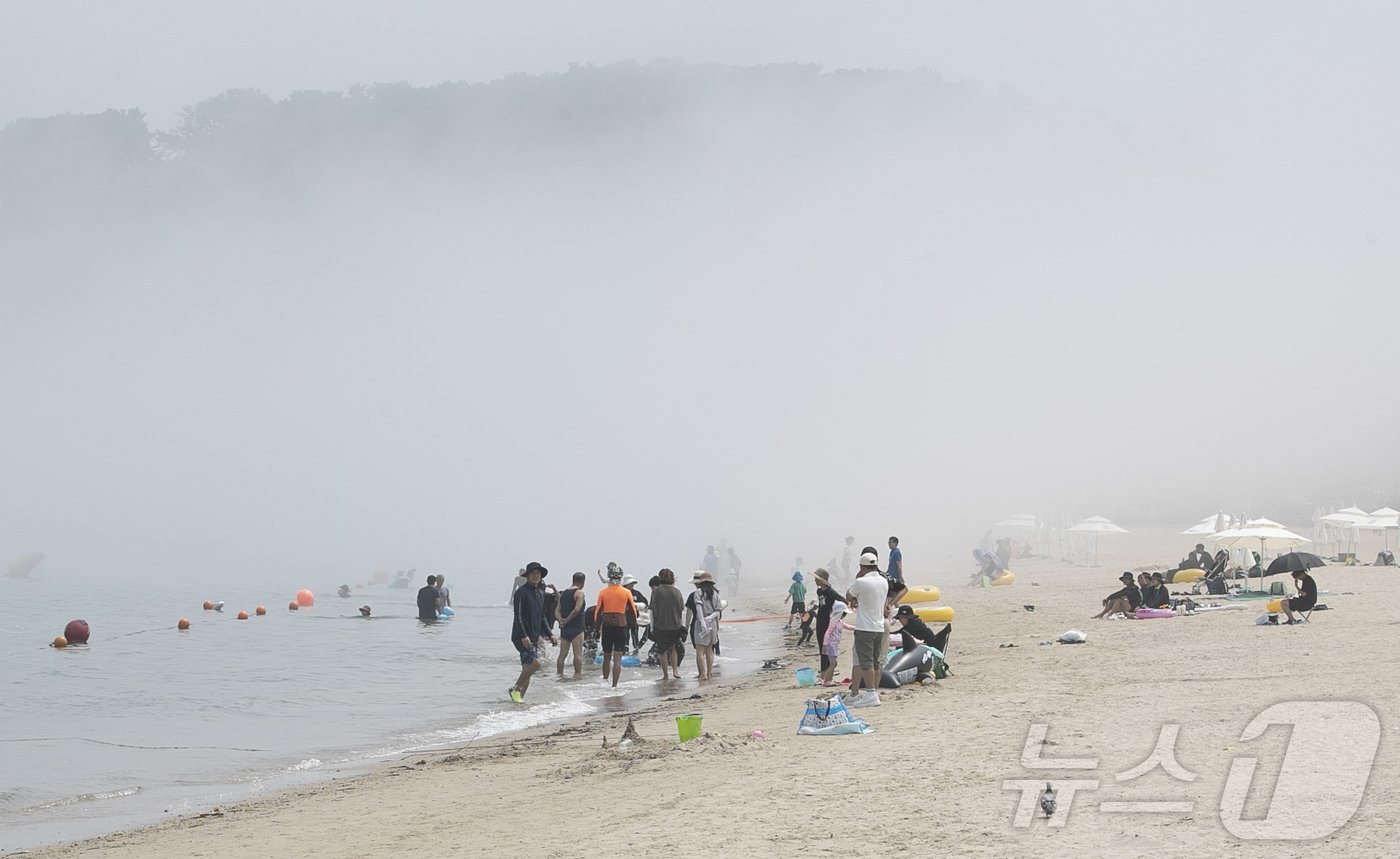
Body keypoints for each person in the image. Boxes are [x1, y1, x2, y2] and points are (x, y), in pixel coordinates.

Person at [844, 552, 889, 707]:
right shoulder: (883, 581)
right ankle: (872, 691)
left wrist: (858, 578)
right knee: (876, 662)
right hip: (879, 626)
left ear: (862, 567)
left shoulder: (861, 582)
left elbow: (848, 595)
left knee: (866, 662)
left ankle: (871, 693)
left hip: (865, 627)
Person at [509, 563, 556, 702]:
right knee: (535, 664)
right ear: (527, 575)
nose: (536, 575)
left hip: (534, 636)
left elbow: (542, 617)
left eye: (538, 573)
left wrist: (550, 634)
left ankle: (518, 700)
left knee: (527, 669)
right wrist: (523, 635)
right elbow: (518, 616)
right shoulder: (521, 593)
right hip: (520, 636)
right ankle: (516, 688)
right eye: (533, 573)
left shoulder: (540, 593)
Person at [593, 566, 638, 688]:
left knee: (606, 657)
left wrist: (596, 630)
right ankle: (614, 686)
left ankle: (605, 681)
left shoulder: (603, 592)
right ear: (620, 578)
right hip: (621, 626)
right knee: (617, 659)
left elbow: (598, 612)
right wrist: (633, 625)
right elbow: (633, 611)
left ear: (609, 577)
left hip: (607, 627)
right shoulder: (626, 592)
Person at [648, 568, 687, 680]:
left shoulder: (656, 592)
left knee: (663, 652)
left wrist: (652, 627)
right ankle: (675, 671)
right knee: (673, 649)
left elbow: (652, 611)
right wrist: (681, 625)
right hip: (675, 624)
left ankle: (665, 675)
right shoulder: (677, 592)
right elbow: (681, 609)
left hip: (661, 625)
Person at [685, 571, 723, 680]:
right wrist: (710, 618)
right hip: (713, 623)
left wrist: (702, 622)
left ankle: (703, 674)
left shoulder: (698, 592)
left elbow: (699, 608)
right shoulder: (715, 594)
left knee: (700, 651)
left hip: (701, 623)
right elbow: (718, 610)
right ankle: (710, 672)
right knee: (709, 649)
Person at [556, 572, 588, 677]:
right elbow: (577, 609)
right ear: (582, 581)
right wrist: (567, 620)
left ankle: (559, 674)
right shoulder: (579, 593)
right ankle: (577, 674)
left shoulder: (564, 593)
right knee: (578, 653)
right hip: (576, 627)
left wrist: (561, 620)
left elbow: (557, 610)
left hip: (565, 629)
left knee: (562, 655)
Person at [820, 601, 852, 686]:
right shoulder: (833, 622)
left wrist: (858, 627)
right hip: (831, 645)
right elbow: (827, 633)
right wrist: (825, 645)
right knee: (833, 663)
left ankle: (827, 680)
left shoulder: (839, 622)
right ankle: (827, 681)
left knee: (833, 663)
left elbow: (848, 627)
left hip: (834, 646)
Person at [813, 568, 840, 669]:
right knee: (821, 647)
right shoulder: (819, 591)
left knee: (826, 647)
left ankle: (828, 669)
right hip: (820, 621)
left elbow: (843, 602)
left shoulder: (831, 592)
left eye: (817, 578)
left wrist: (838, 617)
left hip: (828, 622)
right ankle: (823, 670)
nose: (814, 580)